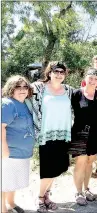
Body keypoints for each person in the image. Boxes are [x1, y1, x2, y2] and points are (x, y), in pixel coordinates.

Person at [26, 61, 73, 213]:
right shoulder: (39, 88)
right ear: (49, 73)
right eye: (56, 71)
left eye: (62, 72)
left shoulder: (68, 90)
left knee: (58, 167)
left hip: (63, 134)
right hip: (46, 134)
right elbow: (21, 92)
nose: (59, 74)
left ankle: (47, 196)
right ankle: (39, 198)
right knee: (48, 169)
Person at [69, 68, 97, 206]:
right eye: (90, 78)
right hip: (80, 132)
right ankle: (78, 192)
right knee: (81, 162)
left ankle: (86, 189)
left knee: (90, 161)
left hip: (96, 133)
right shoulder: (76, 94)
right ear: (85, 78)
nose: (92, 81)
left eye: (95, 79)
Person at [2, 76, 35, 213]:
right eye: (18, 87)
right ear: (11, 89)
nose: (22, 90)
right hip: (9, 152)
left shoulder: (26, 103)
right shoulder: (8, 104)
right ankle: (2, 208)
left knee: (13, 181)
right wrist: (3, 149)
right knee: (4, 182)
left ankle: (11, 203)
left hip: (22, 153)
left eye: (24, 87)